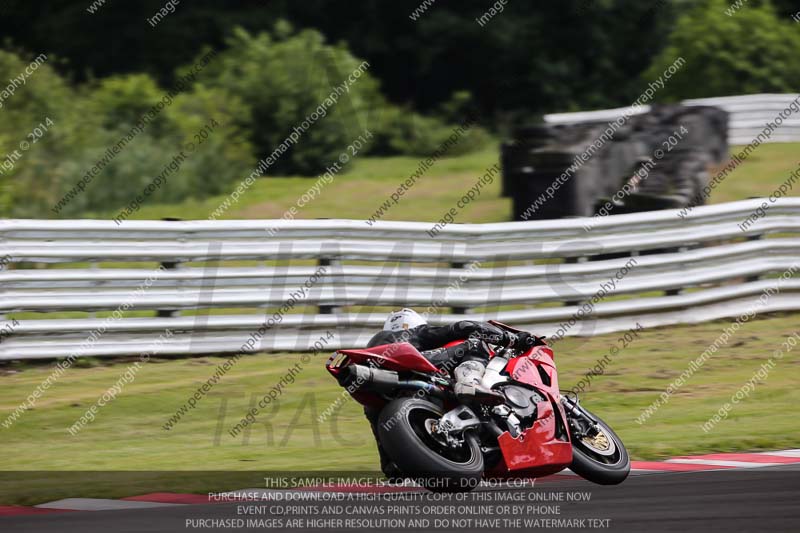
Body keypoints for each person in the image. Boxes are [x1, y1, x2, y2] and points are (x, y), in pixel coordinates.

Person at [363, 308, 541, 476]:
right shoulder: (411, 333)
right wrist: (510, 339)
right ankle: (469, 382)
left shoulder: (375, 369)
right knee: (473, 344)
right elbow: (463, 327)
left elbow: (381, 429)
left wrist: (392, 464)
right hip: (405, 373)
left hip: (385, 388)